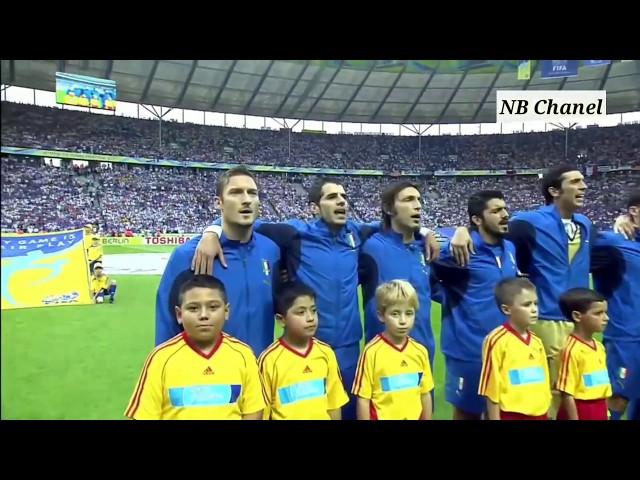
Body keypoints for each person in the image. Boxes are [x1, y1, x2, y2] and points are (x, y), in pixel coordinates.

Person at [194, 178, 440, 419]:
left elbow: (395, 225)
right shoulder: (296, 233)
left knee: (354, 411)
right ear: (315, 207)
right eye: (332, 197)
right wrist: (211, 231)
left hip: (349, 350)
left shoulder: (357, 233)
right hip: (309, 348)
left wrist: (427, 231)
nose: (341, 201)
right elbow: (244, 222)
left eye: (344, 197)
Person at [154, 167, 282, 355]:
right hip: (210, 380)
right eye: (236, 193)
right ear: (219, 203)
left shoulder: (271, 250)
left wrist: (212, 230)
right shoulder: (188, 255)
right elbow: (167, 324)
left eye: (252, 193)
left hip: (258, 376)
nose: (246, 199)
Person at [126, 276, 265, 420]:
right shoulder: (161, 359)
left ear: (226, 311)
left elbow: (253, 411)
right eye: (193, 308)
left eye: (213, 307)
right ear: (179, 315)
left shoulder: (243, 355)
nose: (204, 315)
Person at [432, 190, 518, 420]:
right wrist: (448, 296)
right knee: (467, 413)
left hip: (504, 348)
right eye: (496, 210)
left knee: (499, 410)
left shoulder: (510, 249)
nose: (505, 214)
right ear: (477, 220)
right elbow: (425, 272)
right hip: (469, 349)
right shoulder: (462, 249)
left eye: (505, 209)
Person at [359, 181, 437, 369]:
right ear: (388, 208)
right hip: (385, 358)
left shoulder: (426, 251)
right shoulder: (371, 247)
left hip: (423, 354)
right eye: (408, 200)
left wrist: (459, 231)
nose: (417, 205)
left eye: (419, 200)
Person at [258, 282, 349, 420]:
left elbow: (334, 404)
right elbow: (263, 412)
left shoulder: (326, 353)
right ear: (281, 320)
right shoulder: (269, 360)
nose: (310, 318)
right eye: (301, 312)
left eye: (313, 310)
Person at [352, 280, 434, 420]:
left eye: (409, 313)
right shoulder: (372, 352)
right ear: (381, 315)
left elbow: (425, 394)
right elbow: (363, 399)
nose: (403, 321)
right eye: (395, 314)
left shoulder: (420, 352)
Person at [591, 190, 640, 420]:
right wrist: (463, 231)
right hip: (626, 335)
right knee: (618, 398)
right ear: (634, 210)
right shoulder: (612, 242)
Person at [479, 277, 551, 420]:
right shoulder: (497, 340)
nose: (534, 310)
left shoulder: (537, 341)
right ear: (506, 309)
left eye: (536, 304)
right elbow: (491, 387)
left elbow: (544, 382)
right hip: (512, 414)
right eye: (526, 305)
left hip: (540, 414)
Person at [556, 288, 611, 420]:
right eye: (598, 313)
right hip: (582, 410)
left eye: (605, 312)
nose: (606, 318)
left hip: (600, 409)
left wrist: (606, 412)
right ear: (577, 316)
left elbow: (602, 385)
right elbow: (567, 393)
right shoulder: (572, 350)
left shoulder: (599, 347)